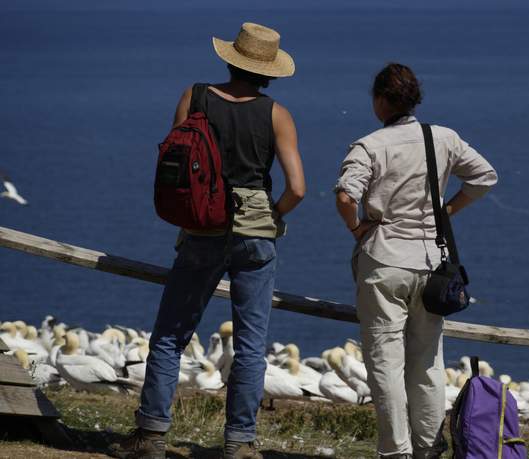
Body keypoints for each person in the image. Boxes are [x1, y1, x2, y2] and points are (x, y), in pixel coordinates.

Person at [111, 23, 305, 459]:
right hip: (255, 231)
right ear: (269, 70)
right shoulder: (277, 114)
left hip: (202, 226)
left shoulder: (194, 96)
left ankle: (152, 436)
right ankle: (239, 444)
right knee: (252, 345)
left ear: (230, 59)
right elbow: (298, 188)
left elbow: (175, 162)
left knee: (169, 336)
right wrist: (271, 215)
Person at [335, 63, 497, 459]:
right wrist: (447, 211)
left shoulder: (369, 145)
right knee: (427, 361)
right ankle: (428, 447)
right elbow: (484, 177)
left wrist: (357, 230)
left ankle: (396, 451)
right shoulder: (442, 138)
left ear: (380, 100)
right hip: (430, 265)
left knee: (385, 363)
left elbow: (345, 197)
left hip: (384, 262)